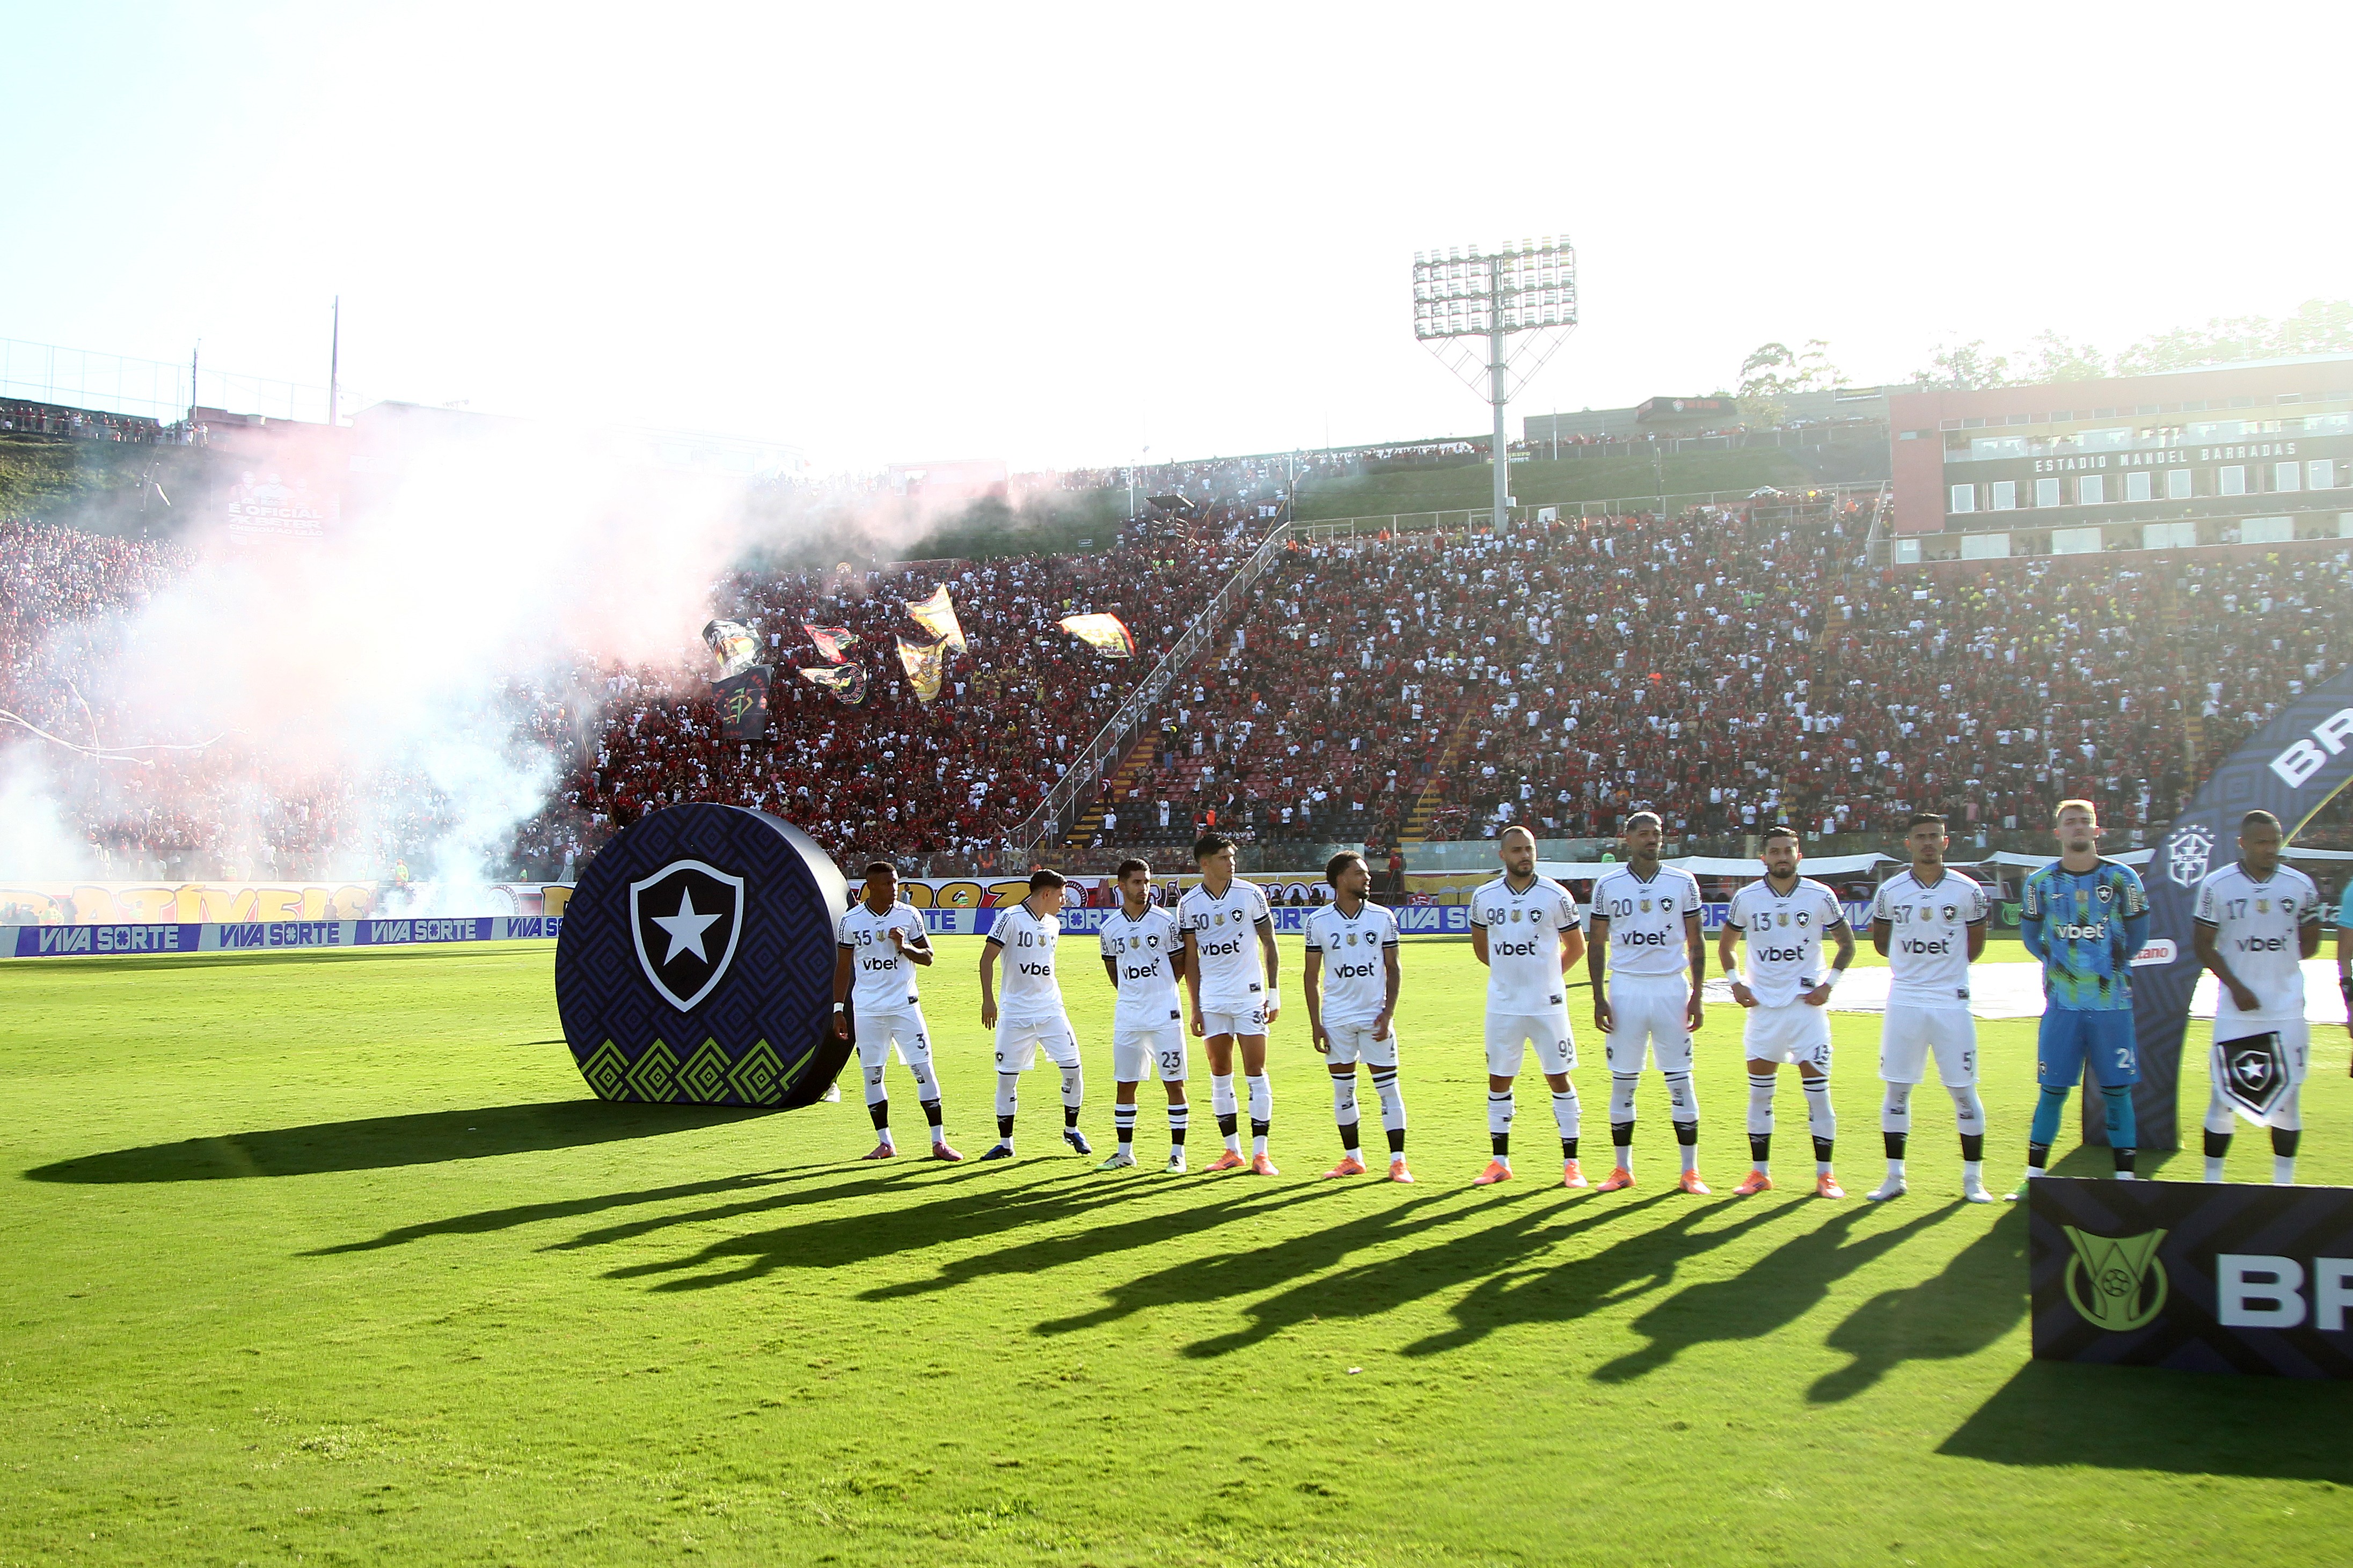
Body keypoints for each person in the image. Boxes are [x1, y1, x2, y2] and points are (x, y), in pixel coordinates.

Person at [2011, 800, 2150, 1199]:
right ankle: (2034, 1178)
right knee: (2052, 1091)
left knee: (2117, 1092)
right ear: (2058, 833)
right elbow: (2031, 938)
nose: (2077, 828)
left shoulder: (2122, 878)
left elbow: (2139, 935)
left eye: (2084, 822)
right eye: (2069, 822)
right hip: (2063, 1005)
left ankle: (2125, 1179)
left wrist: (2113, 963)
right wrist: (2058, 963)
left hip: (2112, 1006)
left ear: (2096, 831)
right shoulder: (2039, 883)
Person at [1718, 826, 1853, 1199]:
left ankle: (1826, 1176)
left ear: (1799, 855)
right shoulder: (1747, 897)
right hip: (1764, 1009)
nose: (1782, 856)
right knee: (1760, 1095)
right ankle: (1759, 1173)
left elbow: (1847, 944)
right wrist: (1735, 982)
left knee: (1818, 1094)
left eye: (1788, 850)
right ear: (1764, 857)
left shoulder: (1819, 895)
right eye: (1775, 851)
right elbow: (1727, 946)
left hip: (1805, 1009)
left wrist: (1829, 985)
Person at [1866, 813, 1993, 1203]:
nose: (1927, 843)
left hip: (1950, 1000)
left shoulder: (1967, 891)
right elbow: (1882, 942)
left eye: (1934, 836)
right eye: (1920, 837)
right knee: (1897, 1090)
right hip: (1905, 998)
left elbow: (1975, 946)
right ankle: (1894, 1177)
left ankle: (1973, 1181)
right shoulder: (1890, 891)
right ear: (1908, 843)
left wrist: (1944, 972)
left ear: (1945, 842)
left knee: (1963, 1090)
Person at [2193, 810, 2322, 1183]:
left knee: (2288, 1097)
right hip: (2237, 1012)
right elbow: (2203, 944)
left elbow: (2310, 940)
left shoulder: (2301, 885)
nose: (2271, 848)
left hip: (2286, 1009)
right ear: (2243, 844)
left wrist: (2280, 963)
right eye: (2262, 842)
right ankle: (2211, 1183)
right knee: (2223, 1096)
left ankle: (2283, 1185)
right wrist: (2235, 985)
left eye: (2275, 840)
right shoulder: (2217, 885)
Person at [1587, 812, 1708, 1192]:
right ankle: (1622, 1170)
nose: (1652, 839)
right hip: (1626, 989)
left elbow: (1696, 941)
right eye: (1644, 834)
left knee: (1680, 1082)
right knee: (1623, 1082)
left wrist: (1698, 996)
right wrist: (1598, 997)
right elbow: (1597, 943)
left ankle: (1690, 1172)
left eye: (1656, 834)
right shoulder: (1608, 885)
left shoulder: (1682, 882)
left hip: (1672, 988)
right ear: (1628, 839)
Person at [1468, 826, 1586, 1186]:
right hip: (1503, 1004)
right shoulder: (1484, 896)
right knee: (1499, 1079)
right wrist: (1510, 975)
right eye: (1517, 850)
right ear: (1503, 855)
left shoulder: (1556, 895)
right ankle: (1499, 1161)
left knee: (1559, 1076)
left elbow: (1577, 947)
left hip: (1547, 1004)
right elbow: (1480, 948)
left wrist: (1547, 977)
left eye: (1530, 850)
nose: (1525, 856)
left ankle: (1572, 1164)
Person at [833, 860, 960, 1161]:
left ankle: (938, 1141)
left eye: (896, 882)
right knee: (872, 1075)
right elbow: (842, 968)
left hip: (905, 1006)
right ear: (870, 887)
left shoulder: (909, 915)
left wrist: (904, 947)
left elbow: (928, 957)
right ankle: (885, 1143)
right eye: (887, 884)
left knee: (924, 1070)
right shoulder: (850, 921)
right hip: (867, 1011)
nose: (894, 889)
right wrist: (839, 1010)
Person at [1303, 850, 1411, 1182]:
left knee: (1388, 1088)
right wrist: (1316, 1023)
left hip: (1374, 1017)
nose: (1368, 878)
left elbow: (1393, 968)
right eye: (1360, 873)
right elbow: (1311, 976)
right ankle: (1353, 1159)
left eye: (1366, 873)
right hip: (1336, 1020)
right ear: (1340, 879)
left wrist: (1388, 1013)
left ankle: (1398, 1162)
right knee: (1343, 1090)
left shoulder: (1382, 917)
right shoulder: (1318, 922)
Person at [1179, 833, 1281, 1175]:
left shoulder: (1251, 894)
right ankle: (1231, 1151)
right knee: (1220, 1074)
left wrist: (1274, 992)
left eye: (1232, 856)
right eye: (1224, 857)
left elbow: (1270, 943)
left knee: (1256, 1072)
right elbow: (1191, 959)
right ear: (1204, 862)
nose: (1231, 862)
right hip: (1212, 1000)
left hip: (1249, 996)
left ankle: (1261, 1153)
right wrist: (1194, 1006)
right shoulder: (1189, 903)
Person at [978, 868, 1090, 1160]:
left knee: (1074, 1068)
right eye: (1062, 895)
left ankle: (1071, 1130)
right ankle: (1005, 1143)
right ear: (1046, 894)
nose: (1064, 901)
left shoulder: (1053, 924)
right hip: (1015, 1013)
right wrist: (988, 1000)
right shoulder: (1011, 918)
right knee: (1007, 1079)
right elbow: (987, 958)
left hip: (1051, 1010)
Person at [1096, 857, 1191, 1173]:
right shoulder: (1110, 928)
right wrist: (1133, 994)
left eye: (1148, 882)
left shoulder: (1166, 923)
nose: (1145, 888)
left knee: (1174, 1083)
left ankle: (1177, 1154)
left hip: (1165, 1014)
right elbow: (1114, 971)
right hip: (1128, 1016)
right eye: (1137, 882)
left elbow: (1180, 964)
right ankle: (1125, 1153)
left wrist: (1158, 990)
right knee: (1125, 1084)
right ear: (1121, 886)